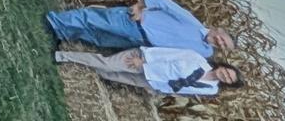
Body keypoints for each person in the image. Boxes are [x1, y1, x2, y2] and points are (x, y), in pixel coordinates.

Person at [46, 0, 234, 61]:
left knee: (98, 38)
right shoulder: (193, 22)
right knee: (93, 19)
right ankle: (54, 21)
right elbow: (163, 1)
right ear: (219, 30)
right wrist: (139, 7)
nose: (220, 42)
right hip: (136, 23)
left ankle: (62, 33)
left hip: (140, 41)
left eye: (224, 46)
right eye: (223, 39)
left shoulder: (205, 52)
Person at [54, 47, 244, 98]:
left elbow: (184, 90)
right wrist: (144, 60)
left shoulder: (211, 90)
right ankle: (64, 55)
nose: (224, 76)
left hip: (152, 82)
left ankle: (75, 67)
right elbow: (168, 54)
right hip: (143, 61)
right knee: (107, 64)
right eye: (227, 72)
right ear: (224, 67)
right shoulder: (197, 59)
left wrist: (158, 90)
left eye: (228, 79)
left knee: (108, 74)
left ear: (226, 83)